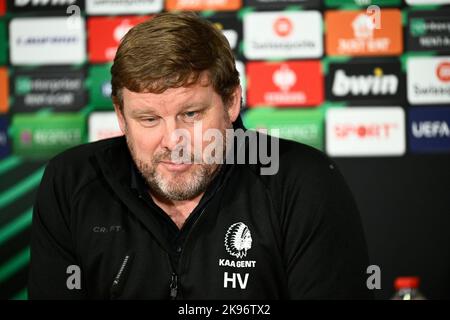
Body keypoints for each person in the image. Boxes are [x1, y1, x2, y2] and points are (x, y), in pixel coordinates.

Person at [29, 12, 372, 299]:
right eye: (148, 119)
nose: (172, 140)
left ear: (232, 102)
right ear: (121, 117)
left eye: (191, 114)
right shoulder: (72, 183)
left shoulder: (301, 180)